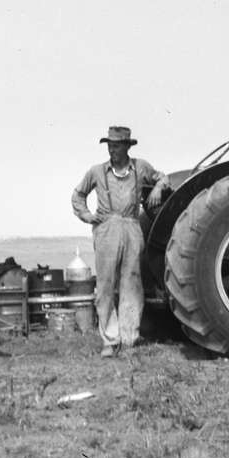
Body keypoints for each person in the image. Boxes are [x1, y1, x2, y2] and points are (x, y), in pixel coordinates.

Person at [71, 126, 168, 357]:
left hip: (132, 227)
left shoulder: (141, 167)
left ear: (127, 147)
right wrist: (87, 216)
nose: (111, 150)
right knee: (105, 286)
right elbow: (78, 195)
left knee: (131, 285)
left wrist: (157, 188)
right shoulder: (96, 172)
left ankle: (129, 339)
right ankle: (110, 340)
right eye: (109, 146)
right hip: (107, 229)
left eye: (115, 146)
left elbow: (163, 177)